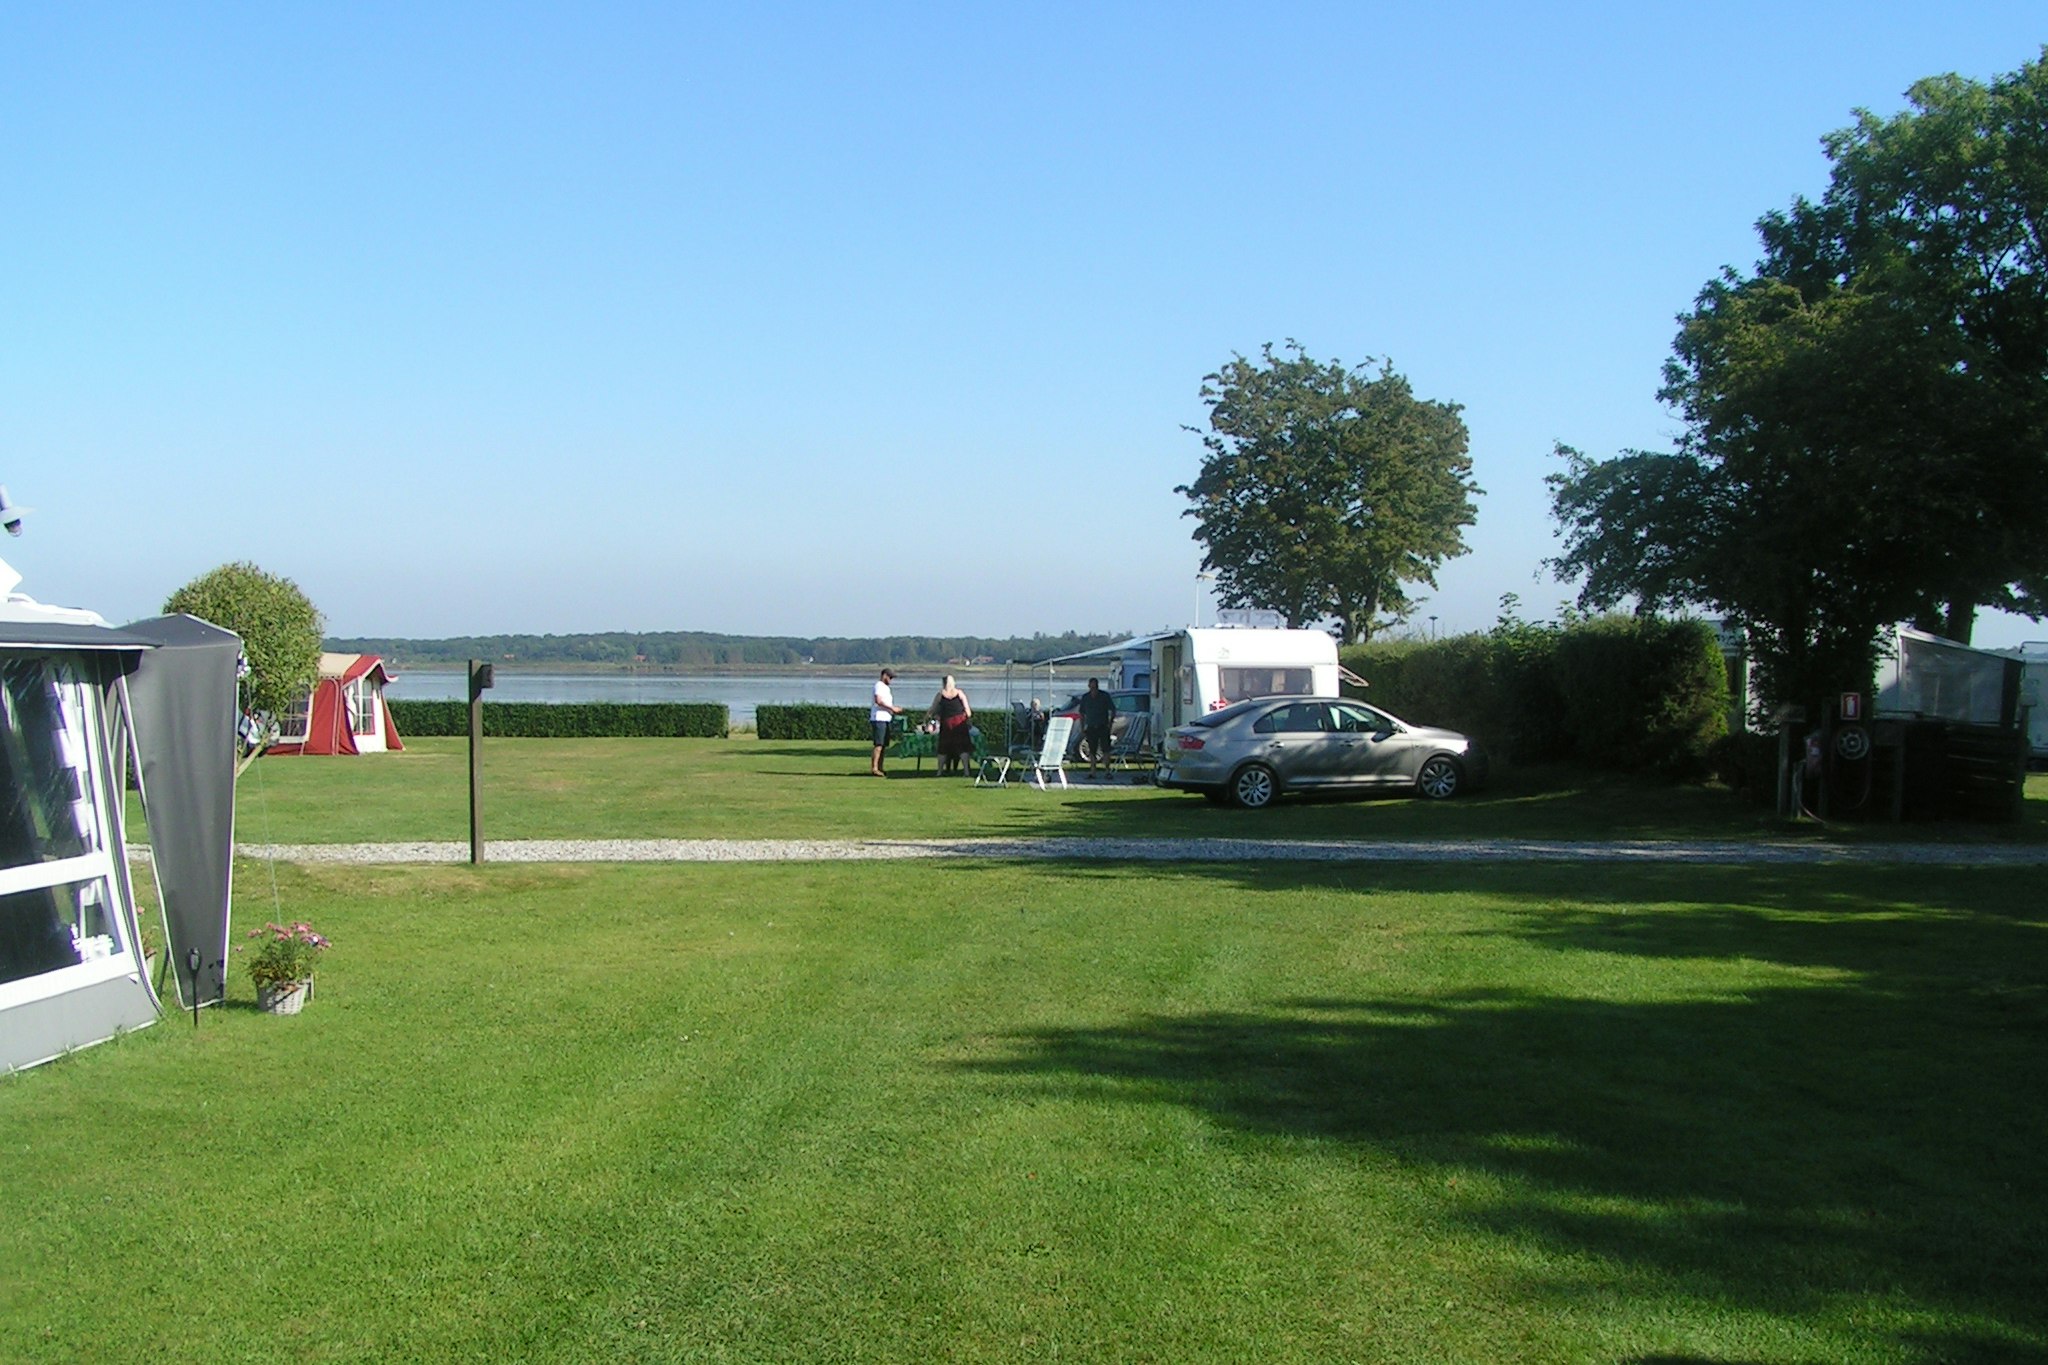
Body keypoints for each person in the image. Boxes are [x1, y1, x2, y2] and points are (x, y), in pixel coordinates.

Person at [930, 675, 974, 776]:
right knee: (963, 748)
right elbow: (968, 712)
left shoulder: (940, 694)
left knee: (943, 748)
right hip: (959, 723)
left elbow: (933, 709)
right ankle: (966, 771)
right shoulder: (960, 693)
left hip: (946, 723)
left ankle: (939, 772)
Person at [1075, 676, 1116, 777]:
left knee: (1106, 749)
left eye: (1095, 687)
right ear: (1089, 686)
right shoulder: (1086, 697)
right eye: (1091, 687)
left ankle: (1107, 771)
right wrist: (1082, 727)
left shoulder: (1104, 696)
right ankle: (1092, 771)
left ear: (1098, 686)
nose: (1093, 689)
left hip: (1103, 726)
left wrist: (1110, 723)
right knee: (1092, 750)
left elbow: (1112, 710)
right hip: (1091, 727)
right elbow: (1082, 713)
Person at [869, 668, 903, 777]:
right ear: (884, 675)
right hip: (879, 718)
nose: (891, 680)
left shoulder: (886, 688)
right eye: (890, 677)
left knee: (883, 745)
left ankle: (880, 767)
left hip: (886, 718)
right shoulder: (879, 686)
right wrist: (892, 708)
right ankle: (874, 768)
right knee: (878, 744)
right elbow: (878, 701)